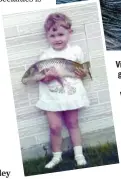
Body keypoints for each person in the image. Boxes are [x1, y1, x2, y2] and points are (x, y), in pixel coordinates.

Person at [31, 13, 90, 169]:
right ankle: (57, 156)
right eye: (53, 35)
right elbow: (39, 77)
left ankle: (79, 154)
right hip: (52, 97)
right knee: (55, 127)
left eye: (61, 34)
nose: (57, 38)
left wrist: (83, 73)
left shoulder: (76, 51)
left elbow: (82, 72)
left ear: (69, 33)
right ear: (47, 36)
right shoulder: (45, 55)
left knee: (73, 123)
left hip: (71, 95)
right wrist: (47, 77)